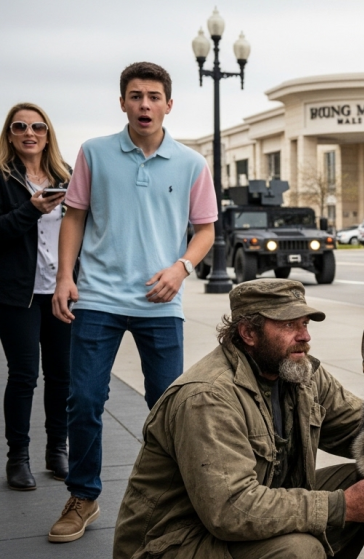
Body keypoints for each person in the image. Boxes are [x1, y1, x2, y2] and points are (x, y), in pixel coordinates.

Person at [48, 62, 217, 543]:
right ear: (122, 102)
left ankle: (171, 500)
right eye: (136, 96)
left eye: (154, 96)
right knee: (83, 399)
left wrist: (181, 268)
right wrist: (65, 276)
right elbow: (74, 217)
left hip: (161, 302)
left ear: (169, 104)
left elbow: (204, 230)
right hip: (98, 296)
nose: (145, 104)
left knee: (167, 406)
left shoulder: (190, 163)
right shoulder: (94, 153)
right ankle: (83, 495)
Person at [112, 279, 364, 559]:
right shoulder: (208, 397)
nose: (305, 336)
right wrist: (341, 506)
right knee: (300, 550)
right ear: (248, 333)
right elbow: (231, 509)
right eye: (289, 325)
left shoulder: (299, 372)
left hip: (246, 520)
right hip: (176, 541)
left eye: (305, 324)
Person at [0, 103, 73, 490]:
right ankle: (18, 457)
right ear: (10, 134)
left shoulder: (67, 175)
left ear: (48, 134)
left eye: (38, 127)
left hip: (60, 290)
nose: (30, 132)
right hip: (17, 295)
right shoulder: (2, 177)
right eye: (20, 126)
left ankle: (57, 450)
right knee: (24, 375)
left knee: (61, 375)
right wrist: (30, 209)